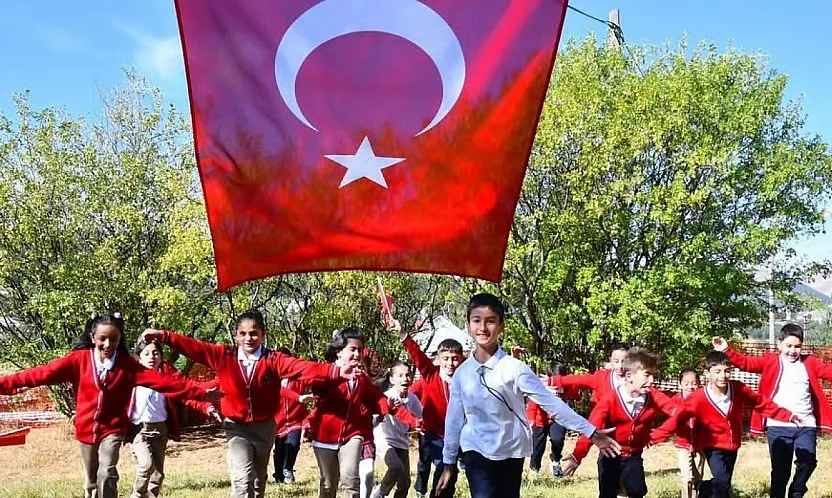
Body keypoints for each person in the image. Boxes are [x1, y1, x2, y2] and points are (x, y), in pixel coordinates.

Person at [141, 309, 356, 498]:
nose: (248, 338)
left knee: (257, 479)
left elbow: (302, 367)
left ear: (263, 334)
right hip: (236, 427)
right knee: (242, 479)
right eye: (243, 333)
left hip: (264, 428)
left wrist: (335, 371)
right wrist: (164, 336)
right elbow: (194, 347)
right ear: (236, 335)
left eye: (254, 333)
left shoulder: (273, 359)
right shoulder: (224, 355)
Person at [0, 313, 213, 498]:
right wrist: (4, 385)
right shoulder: (78, 360)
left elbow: (166, 382)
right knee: (91, 483)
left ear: (120, 340)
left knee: (107, 472)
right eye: (102, 339)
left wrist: (201, 393)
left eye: (114, 339)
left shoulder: (127, 366)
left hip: (113, 429)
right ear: (93, 338)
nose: (108, 345)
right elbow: (39, 374)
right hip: (85, 429)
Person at [435, 293, 621, 498]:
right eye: (476, 320)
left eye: (490, 321)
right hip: (475, 450)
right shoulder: (463, 373)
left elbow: (552, 404)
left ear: (501, 326)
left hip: (511, 450)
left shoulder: (515, 369)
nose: (483, 328)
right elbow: (454, 420)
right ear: (468, 324)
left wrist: (591, 432)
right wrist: (448, 463)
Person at [651, 351, 799, 498]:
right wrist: (655, 436)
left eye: (727, 371)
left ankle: (702, 488)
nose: (723, 376)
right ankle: (703, 488)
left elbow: (760, 403)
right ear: (707, 373)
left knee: (724, 485)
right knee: (721, 483)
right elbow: (678, 419)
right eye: (717, 372)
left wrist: (787, 416)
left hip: (733, 445)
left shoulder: (738, 389)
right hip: (712, 446)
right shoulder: (698, 397)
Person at [714, 325, 832, 498]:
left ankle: (797, 491)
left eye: (797, 346)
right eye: (788, 346)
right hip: (778, 425)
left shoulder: (809, 363)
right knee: (780, 471)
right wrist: (726, 350)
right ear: (779, 345)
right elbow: (746, 363)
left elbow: (829, 371)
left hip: (805, 424)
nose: (793, 350)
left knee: (808, 461)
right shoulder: (771, 361)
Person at [308, 328, 416, 498]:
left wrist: (387, 405)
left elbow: (377, 399)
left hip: (353, 436)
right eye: (352, 349)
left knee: (351, 481)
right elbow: (315, 385)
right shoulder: (326, 373)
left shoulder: (360, 378)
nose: (357, 354)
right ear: (339, 351)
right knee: (328, 485)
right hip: (324, 437)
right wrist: (336, 375)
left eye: (360, 349)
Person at [561, 348, 674, 498]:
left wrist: (656, 435)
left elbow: (678, 413)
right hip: (610, 454)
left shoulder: (652, 395)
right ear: (629, 376)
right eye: (647, 375)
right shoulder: (610, 399)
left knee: (638, 490)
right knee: (607, 493)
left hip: (633, 455)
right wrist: (577, 456)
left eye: (653, 375)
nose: (652, 380)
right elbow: (592, 427)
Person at [128, 337, 220, 498]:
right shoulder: (132, 374)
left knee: (157, 475)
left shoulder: (167, 372)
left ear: (161, 356)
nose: (152, 357)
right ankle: (137, 495)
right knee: (145, 466)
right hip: (139, 429)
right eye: (147, 353)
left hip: (160, 428)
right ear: (138, 357)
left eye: (155, 353)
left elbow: (187, 391)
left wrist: (207, 406)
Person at [390, 319, 463, 498]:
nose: (450, 363)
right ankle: (423, 491)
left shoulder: (465, 379)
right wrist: (402, 334)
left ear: (461, 359)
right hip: (434, 435)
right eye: (446, 359)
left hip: (457, 436)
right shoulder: (431, 375)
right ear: (438, 359)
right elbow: (417, 355)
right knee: (433, 465)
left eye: (455, 359)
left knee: (450, 473)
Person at [371, 360, 423, 498]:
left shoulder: (412, 398)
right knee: (395, 467)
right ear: (392, 379)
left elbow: (422, 416)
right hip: (384, 440)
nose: (405, 379)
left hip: (402, 442)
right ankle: (379, 494)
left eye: (408, 375)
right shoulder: (387, 397)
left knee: (405, 483)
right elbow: (377, 417)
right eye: (400, 375)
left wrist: (424, 425)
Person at [527, 362, 579, 478]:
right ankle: (534, 469)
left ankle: (555, 461)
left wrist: (573, 391)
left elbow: (575, 392)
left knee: (558, 439)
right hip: (540, 420)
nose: (555, 383)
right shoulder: (541, 387)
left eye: (559, 379)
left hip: (557, 419)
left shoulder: (565, 388)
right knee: (537, 446)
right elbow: (532, 404)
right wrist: (531, 420)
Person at [271, 348, 314, 485]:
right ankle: (278, 474)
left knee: (293, 445)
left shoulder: (299, 378)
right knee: (279, 450)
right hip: (278, 422)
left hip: (296, 419)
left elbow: (313, 379)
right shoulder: (271, 379)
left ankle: (288, 469)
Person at [545, 341, 631, 408]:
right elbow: (579, 379)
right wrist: (553, 380)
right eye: (616, 361)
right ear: (610, 360)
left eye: (624, 361)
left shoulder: (636, 378)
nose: (620, 366)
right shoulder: (601, 378)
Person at [673, 367, 705, 498]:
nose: (690, 387)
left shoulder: (703, 399)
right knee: (687, 476)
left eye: (694, 383)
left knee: (697, 478)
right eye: (686, 383)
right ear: (680, 384)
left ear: (698, 383)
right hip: (683, 444)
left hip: (700, 444)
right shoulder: (676, 400)